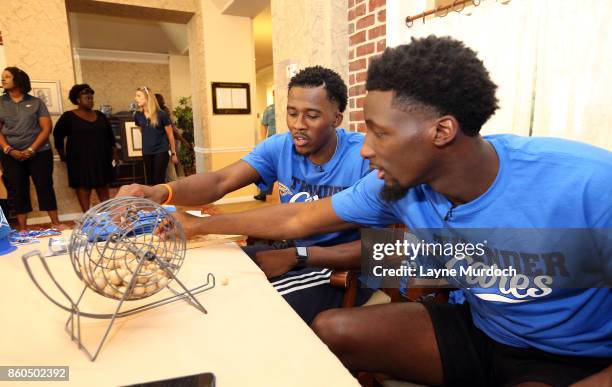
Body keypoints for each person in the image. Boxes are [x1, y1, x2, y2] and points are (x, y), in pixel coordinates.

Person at [155, 36, 612, 386]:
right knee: (331, 329)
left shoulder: (588, 184)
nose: (367, 149)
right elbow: (298, 219)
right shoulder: (396, 185)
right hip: (481, 328)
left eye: (380, 133)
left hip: (570, 355)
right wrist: (198, 225)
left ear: (442, 131)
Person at [118, 66, 374, 323]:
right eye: (292, 113)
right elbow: (220, 180)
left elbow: (388, 251)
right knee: (203, 277)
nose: (298, 125)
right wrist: (161, 191)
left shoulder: (365, 158)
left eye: (312, 116)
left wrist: (299, 256)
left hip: (341, 269)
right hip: (294, 253)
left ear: (336, 119)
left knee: (241, 305)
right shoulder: (281, 146)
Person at [0, 67, 64, 230]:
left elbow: (46, 128)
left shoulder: (36, 102)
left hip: (39, 153)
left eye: (7, 77)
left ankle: (56, 223)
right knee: (17, 189)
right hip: (10, 154)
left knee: (44, 186)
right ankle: (23, 228)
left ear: (18, 80)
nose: (3, 80)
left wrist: (31, 150)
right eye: (2, 77)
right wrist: (8, 149)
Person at [53, 84, 119, 212]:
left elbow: (110, 137)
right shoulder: (68, 117)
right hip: (79, 160)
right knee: (83, 187)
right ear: (77, 100)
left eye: (91, 98)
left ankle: (107, 216)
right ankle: (87, 216)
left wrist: (114, 153)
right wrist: (63, 155)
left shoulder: (100, 115)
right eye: (86, 97)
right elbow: (58, 135)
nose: (90, 100)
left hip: (101, 158)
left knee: (102, 185)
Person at [133, 87, 178, 185]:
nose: (136, 98)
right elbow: (142, 130)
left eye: (139, 96)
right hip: (146, 151)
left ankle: (161, 200)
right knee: (150, 180)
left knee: (159, 180)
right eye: (136, 96)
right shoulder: (137, 115)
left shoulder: (161, 114)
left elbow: (170, 135)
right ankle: (153, 200)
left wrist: (173, 153)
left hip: (161, 151)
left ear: (147, 97)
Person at [154, 93, 193, 181]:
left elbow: (173, 132)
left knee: (170, 171)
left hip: (168, 145)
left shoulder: (163, 112)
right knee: (167, 171)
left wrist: (184, 142)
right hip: (163, 146)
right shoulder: (156, 113)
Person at [254, 92, 276, 201]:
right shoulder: (270, 109)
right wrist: (263, 141)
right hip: (271, 142)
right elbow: (263, 125)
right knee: (266, 168)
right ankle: (264, 193)